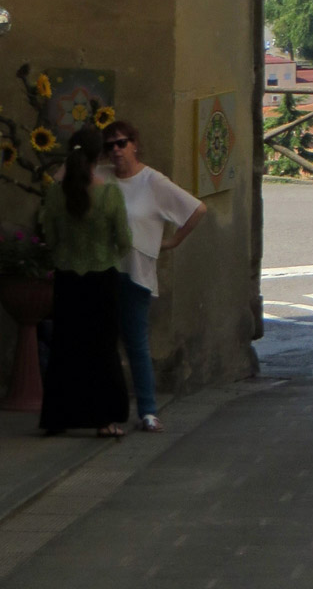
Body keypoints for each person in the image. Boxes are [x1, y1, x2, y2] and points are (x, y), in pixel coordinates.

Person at [101, 120, 206, 432]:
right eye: (109, 146)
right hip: (102, 271)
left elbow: (197, 209)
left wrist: (172, 241)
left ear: (135, 144)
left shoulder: (151, 181)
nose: (116, 151)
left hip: (136, 273)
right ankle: (105, 411)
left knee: (136, 343)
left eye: (121, 143)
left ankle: (148, 410)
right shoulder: (101, 176)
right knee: (103, 345)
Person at [39, 125, 131, 437]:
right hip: (102, 278)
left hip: (67, 278)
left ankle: (58, 417)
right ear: (99, 156)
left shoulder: (55, 193)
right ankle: (104, 419)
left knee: (65, 346)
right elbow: (125, 241)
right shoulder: (109, 193)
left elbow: (48, 236)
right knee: (102, 349)